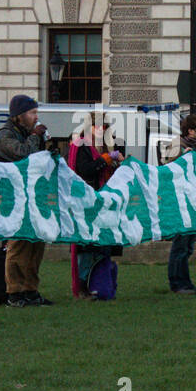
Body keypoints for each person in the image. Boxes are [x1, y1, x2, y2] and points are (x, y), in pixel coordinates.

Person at [0, 94, 52, 307]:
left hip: (32, 196)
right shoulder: (5, 135)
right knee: (17, 245)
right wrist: (36, 137)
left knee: (36, 243)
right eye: (32, 112)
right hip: (13, 198)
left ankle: (30, 289)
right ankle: (15, 293)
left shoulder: (26, 134)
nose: (36, 117)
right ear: (19, 115)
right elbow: (22, 154)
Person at [69, 114, 122, 298]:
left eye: (104, 126)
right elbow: (85, 170)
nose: (102, 129)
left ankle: (98, 284)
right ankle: (83, 285)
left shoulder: (99, 147)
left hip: (101, 203)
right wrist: (106, 159)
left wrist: (113, 163)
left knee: (100, 247)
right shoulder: (81, 145)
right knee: (87, 248)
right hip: (85, 204)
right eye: (98, 126)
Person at [163, 113, 196, 295]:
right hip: (181, 202)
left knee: (188, 245)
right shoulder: (178, 145)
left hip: (194, 202)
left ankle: (186, 282)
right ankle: (177, 283)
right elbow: (167, 168)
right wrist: (183, 157)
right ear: (191, 131)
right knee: (180, 244)